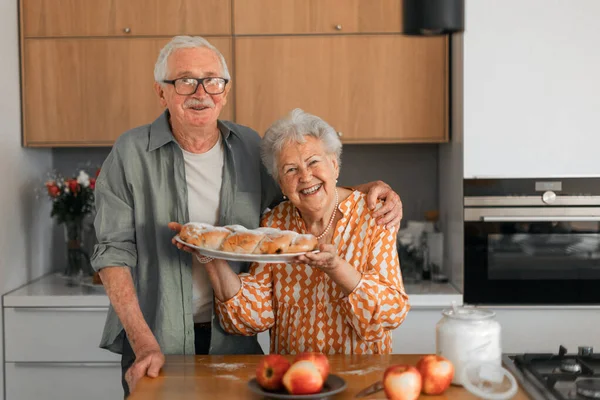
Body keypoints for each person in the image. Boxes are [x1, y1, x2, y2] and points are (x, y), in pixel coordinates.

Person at [91, 35, 403, 396]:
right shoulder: (131, 153)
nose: (201, 92)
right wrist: (144, 342)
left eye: (212, 80)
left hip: (232, 345)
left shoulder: (249, 147)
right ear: (162, 92)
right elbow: (112, 252)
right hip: (157, 339)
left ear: (224, 91)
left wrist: (367, 189)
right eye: (185, 81)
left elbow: (306, 191)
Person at [175, 108, 409, 354]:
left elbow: (391, 312)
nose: (306, 176)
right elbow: (254, 316)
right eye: (291, 170)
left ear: (334, 165)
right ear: (280, 184)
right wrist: (210, 257)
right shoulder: (276, 222)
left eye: (313, 162)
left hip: (359, 379)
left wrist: (336, 268)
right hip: (292, 380)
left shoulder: (373, 215)